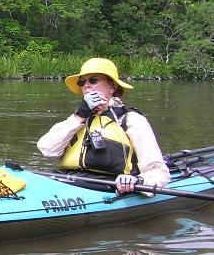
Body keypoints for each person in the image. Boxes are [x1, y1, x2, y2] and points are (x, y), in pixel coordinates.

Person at [37, 57, 170, 195]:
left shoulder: (131, 120)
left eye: (93, 80)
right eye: (82, 82)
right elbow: (47, 149)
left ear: (112, 87)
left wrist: (137, 180)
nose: (86, 85)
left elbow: (159, 172)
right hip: (66, 181)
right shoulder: (78, 119)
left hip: (107, 186)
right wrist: (79, 116)